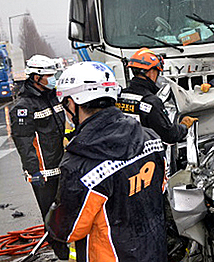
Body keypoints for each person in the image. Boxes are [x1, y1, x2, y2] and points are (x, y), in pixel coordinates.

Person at [46, 61, 167, 262]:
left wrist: (52, 219)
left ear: (72, 103)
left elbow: (69, 230)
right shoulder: (151, 138)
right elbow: (160, 190)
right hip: (154, 251)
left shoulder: (81, 166)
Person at [10, 55, 65, 222]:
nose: (52, 79)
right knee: (51, 217)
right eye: (49, 76)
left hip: (61, 166)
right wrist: (34, 171)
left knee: (66, 214)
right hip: (43, 173)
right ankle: (58, 247)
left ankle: (68, 246)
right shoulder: (23, 107)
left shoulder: (52, 97)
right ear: (36, 77)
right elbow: (24, 141)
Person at [117, 47, 197, 144]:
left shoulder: (121, 95)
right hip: (146, 154)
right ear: (151, 72)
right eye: (157, 72)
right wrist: (183, 126)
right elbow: (169, 135)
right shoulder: (151, 101)